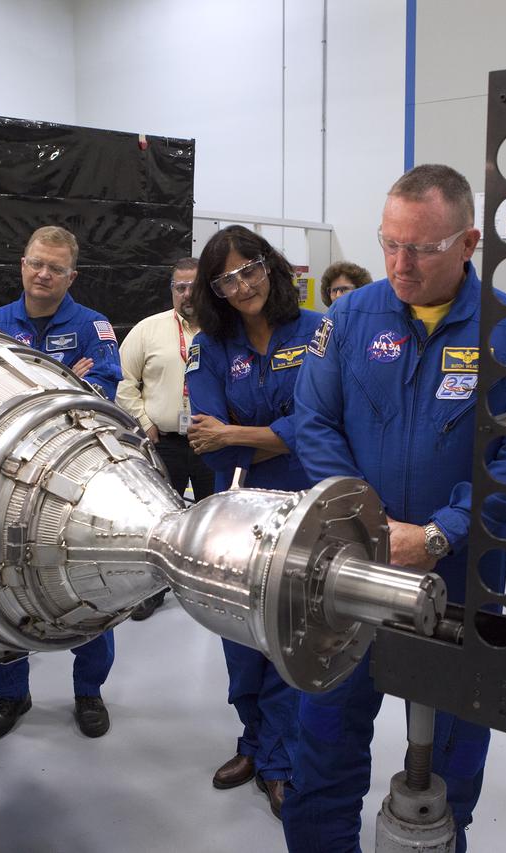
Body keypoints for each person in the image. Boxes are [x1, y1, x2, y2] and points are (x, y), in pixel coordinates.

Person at [289, 163, 506, 853]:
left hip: (457, 585)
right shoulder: (350, 317)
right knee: (323, 748)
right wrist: (370, 523)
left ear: (469, 242)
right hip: (351, 574)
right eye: (389, 243)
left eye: (421, 248)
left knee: (449, 774)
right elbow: (314, 422)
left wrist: (440, 534)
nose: (400, 263)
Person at [185, 225, 322, 819]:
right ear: (212, 290)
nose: (242, 286)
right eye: (226, 279)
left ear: (272, 266)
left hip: (304, 510)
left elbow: (319, 427)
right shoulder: (212, 346)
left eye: (250, 270)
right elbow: (204, 444)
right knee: (241, 638)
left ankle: (281, 760)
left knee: (288, 635)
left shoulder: (318, 331)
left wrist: (238, 434)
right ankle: (252, 741)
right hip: (236, 516)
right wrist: (274, 439)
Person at [0, 225, 123, 741]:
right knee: (0, 583)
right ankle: (10, 694)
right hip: (5, 483)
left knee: (87, 584)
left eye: (56, 268)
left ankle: (89, 692)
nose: (44, 274)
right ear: (22, 264)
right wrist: (64, 378)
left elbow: (101, 390)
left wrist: (45, 389)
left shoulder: (94, 326)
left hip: (73, 485)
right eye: (36, 263)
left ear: (71, 275)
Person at [116, 257, 217, 620]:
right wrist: (144, 421)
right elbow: (123, 380)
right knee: (158, 521)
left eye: (194, 286)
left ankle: (210, 586)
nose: (187, 294)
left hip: (211, 443)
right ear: (171, 290)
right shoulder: (148, 329)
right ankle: (153, 589)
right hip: (165, 443)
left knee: (213, 518)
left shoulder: (224, 329)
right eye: (179, 287)